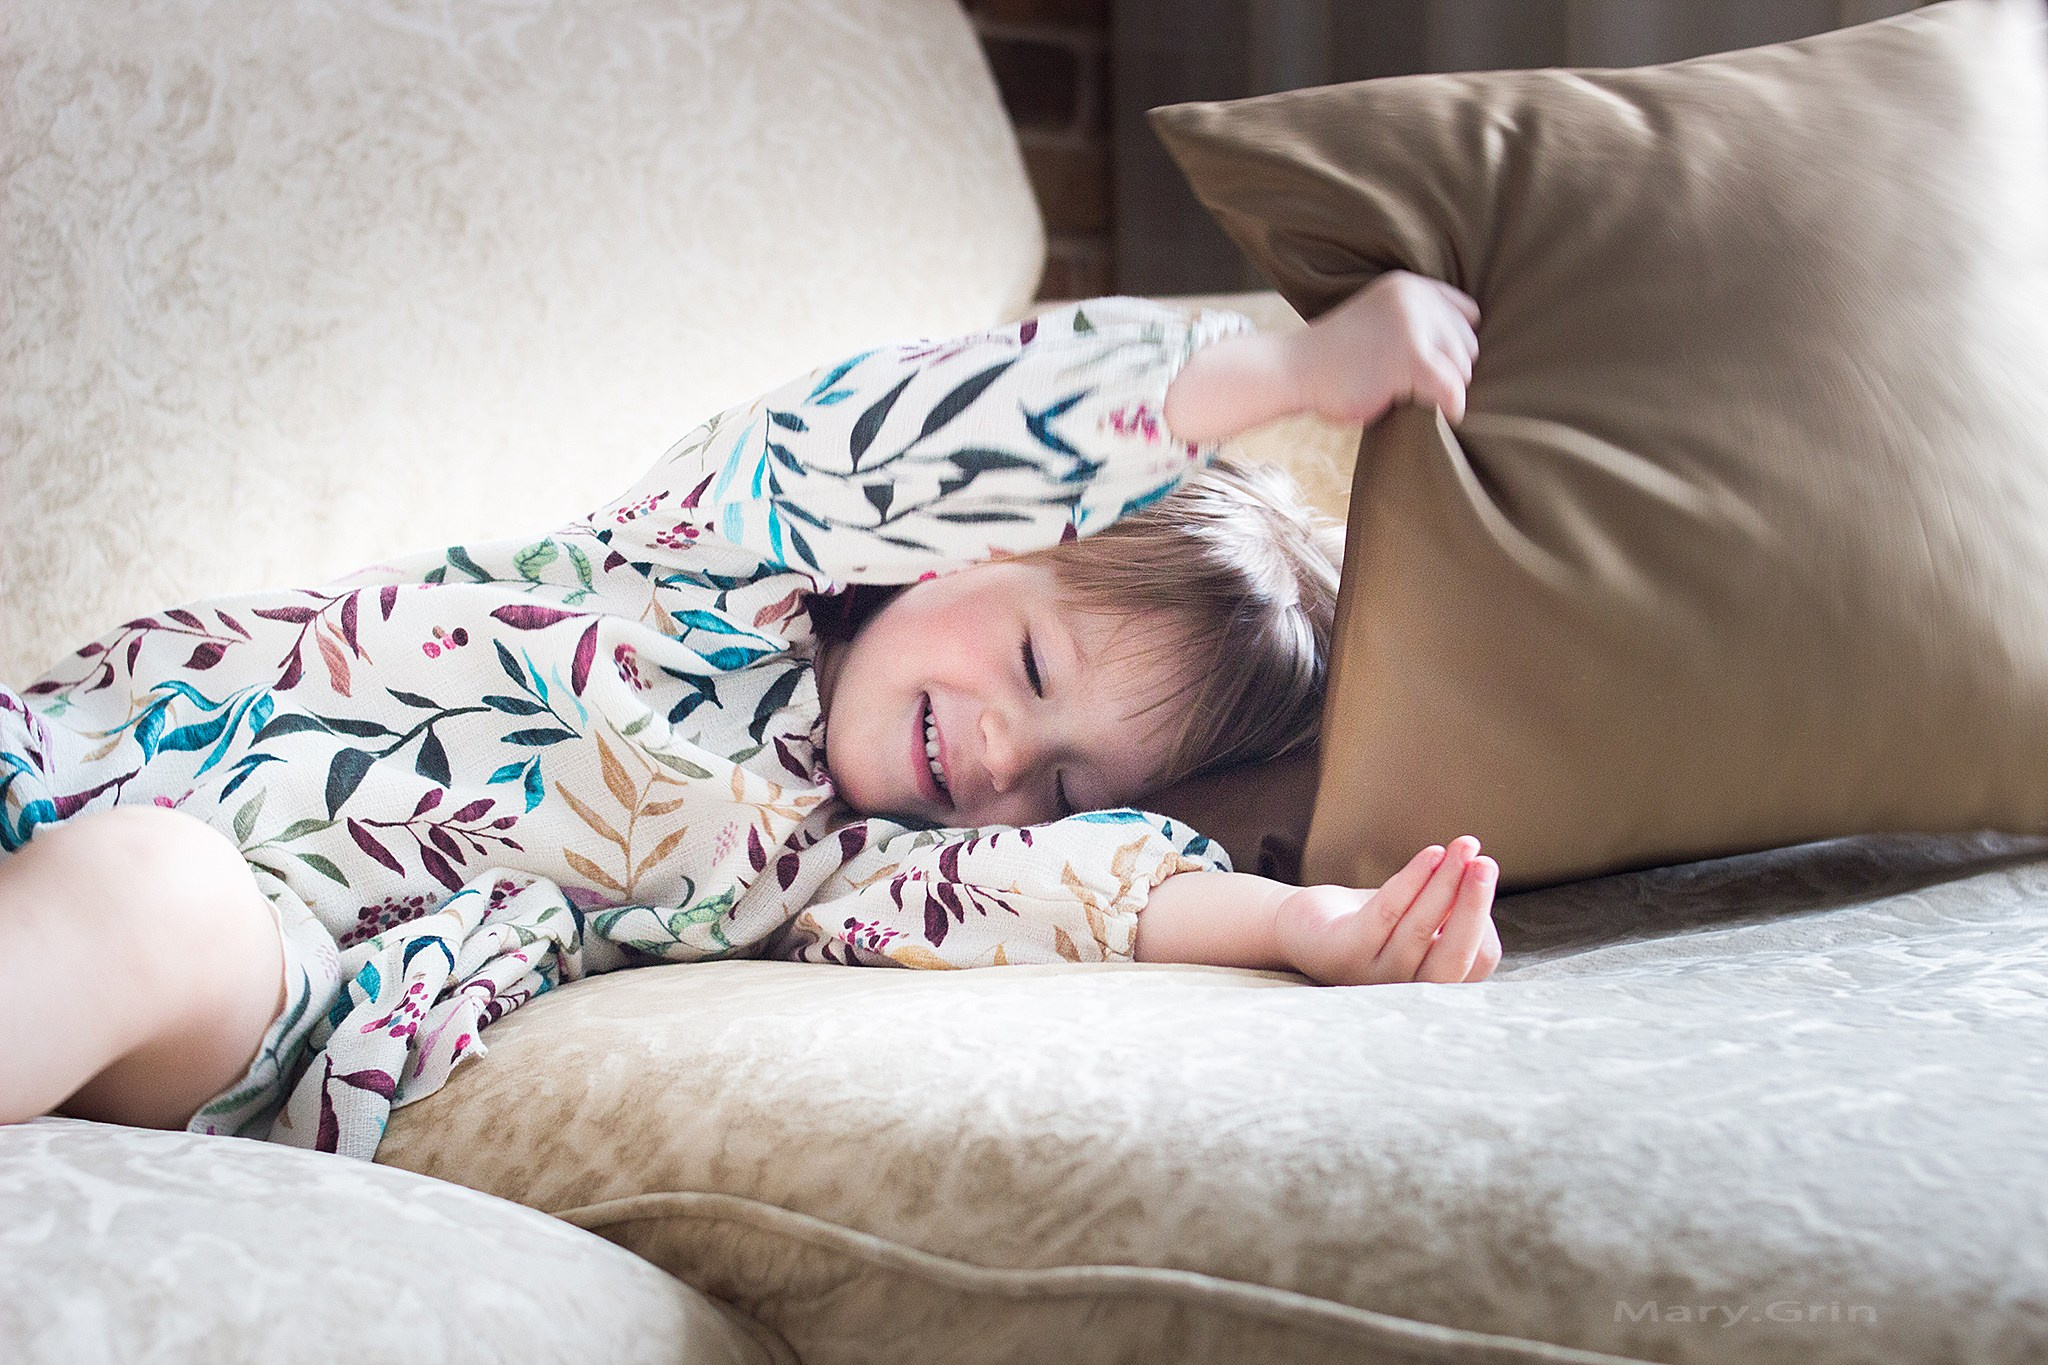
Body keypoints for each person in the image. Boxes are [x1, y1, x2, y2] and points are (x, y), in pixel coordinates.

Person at [0, 270, 1493, 1159]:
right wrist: (1289, 373)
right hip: (111, 736)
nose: (992, 758)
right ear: (961, 539)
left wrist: (1304, 931)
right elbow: (934, 422)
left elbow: (1079, 894)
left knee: (146, 894)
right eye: (1032, 669)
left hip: (256, 951)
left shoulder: (838, 869)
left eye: (1055, 779)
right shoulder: (728, 543)